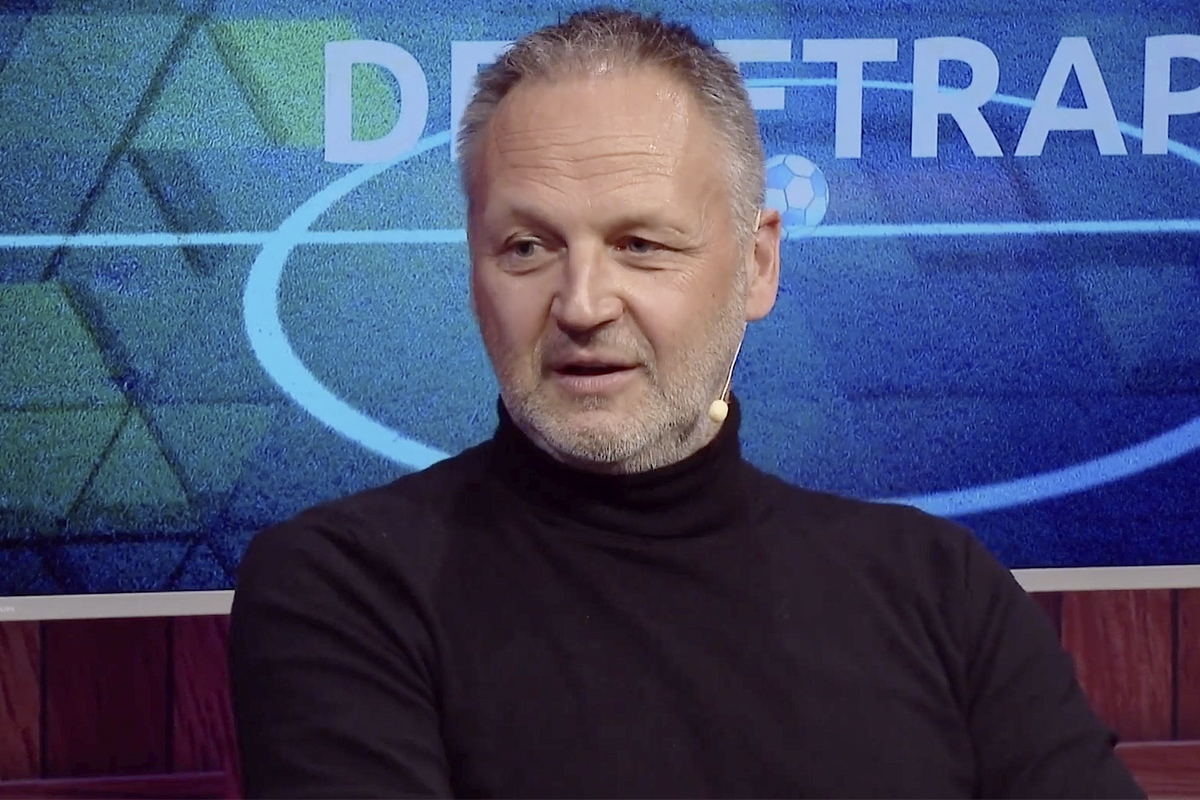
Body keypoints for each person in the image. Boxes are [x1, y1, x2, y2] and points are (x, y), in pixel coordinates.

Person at [228, 8, 1145, 799]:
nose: (582, 305)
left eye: (640, 244)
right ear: (474, 270)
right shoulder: (345, 586)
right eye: (526, 248)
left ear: (758, 264)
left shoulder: (940, 589)